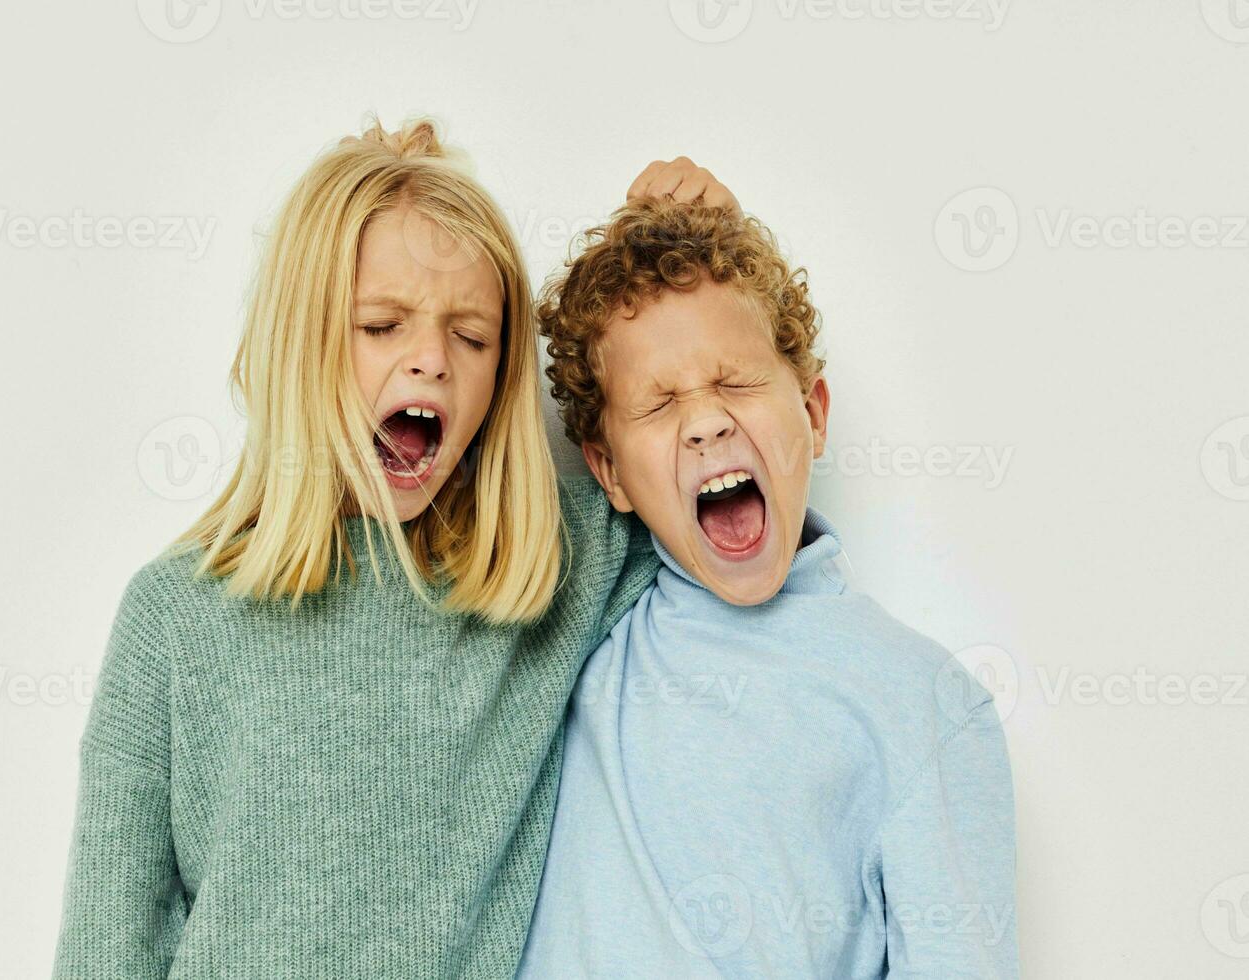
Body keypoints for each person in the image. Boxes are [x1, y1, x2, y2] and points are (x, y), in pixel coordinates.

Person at [51, 119, 737, 978]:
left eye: (472, 337)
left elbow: (724, 503)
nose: (430, 362)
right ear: (300, 343)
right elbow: (104, 952)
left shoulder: (559, 567)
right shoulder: (173, 619)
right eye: (381, 326)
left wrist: (696, 268)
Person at [518, 199, 1018, 978]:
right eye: (658, 403)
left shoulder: (924, 703)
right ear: (607, 472)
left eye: (738, 382)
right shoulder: (577, 634)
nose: (706, 423)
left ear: (813, 414)